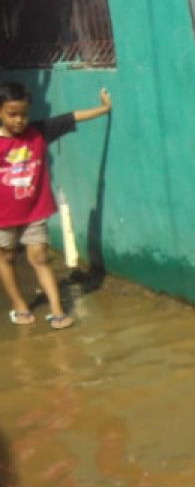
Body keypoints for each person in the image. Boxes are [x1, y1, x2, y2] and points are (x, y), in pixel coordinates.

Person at [0, 83, 112, 330]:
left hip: (34, 210)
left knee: (39, 256)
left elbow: (71, 117)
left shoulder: (38, 132)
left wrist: (104, 109)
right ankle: (19, 305)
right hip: (2, 216)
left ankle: (57, 310)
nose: (19, 120)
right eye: (12, 114)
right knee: (6, 257)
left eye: (23, 114)